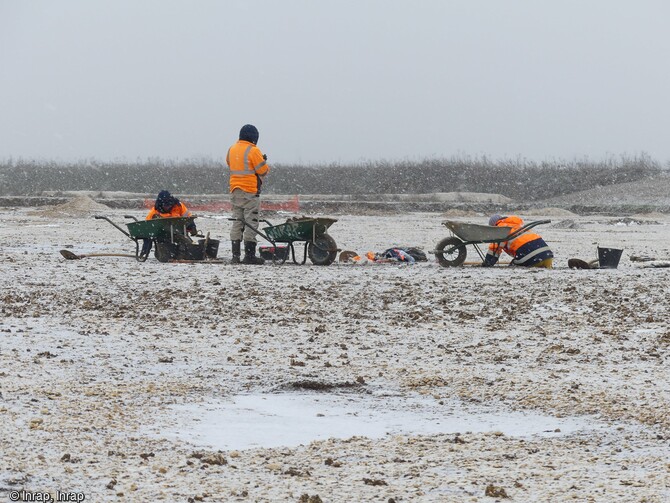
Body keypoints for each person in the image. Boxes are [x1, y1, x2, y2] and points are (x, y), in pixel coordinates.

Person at [227, 124, 270, 264]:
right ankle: (249, 255)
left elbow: (230, 163)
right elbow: (263, 171)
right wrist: (262, 160)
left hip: (234, 191)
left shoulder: (231, 149)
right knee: (251, 222)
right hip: (250, 192)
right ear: (254, 137)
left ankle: (235, 256)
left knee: (237, 222)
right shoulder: (253, 150)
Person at [482, 214, 553, 268]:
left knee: (511, 268)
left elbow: (494, 250)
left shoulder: (501, 229)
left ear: (494, 225)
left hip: (531, 259)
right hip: (547, 256)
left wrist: (488, 263)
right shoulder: (518, 226)